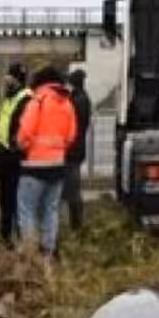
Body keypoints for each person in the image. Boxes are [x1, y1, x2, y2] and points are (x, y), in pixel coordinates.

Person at [15, 67, 78, 258]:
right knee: (50, 210)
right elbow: (71, 136)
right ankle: (47, 254)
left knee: (27, 210)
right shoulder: (67, 104)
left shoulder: (38, 101)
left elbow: (25, 133)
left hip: (34, 166)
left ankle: (30, 253)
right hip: (57, 165)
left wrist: (20, 145)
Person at [0, 65, 31, 246]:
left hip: (15, 159)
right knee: (5, 200)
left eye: (9, 78)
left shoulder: (25, 100)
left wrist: (13, 145)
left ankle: (21, 240)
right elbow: (7, 125)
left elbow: (22, 129)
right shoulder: (10, 98)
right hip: (4, 156)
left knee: (16, 201)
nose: (5, 82)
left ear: (17, 80)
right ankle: (5, 238)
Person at [63, 70, 93, 232]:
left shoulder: (77, 100)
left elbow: (73, 125)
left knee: (72, 189)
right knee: (72, 188)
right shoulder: (82, 98)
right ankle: (76, 223)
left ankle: (77, 224)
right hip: (77, 149)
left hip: (73, 150)